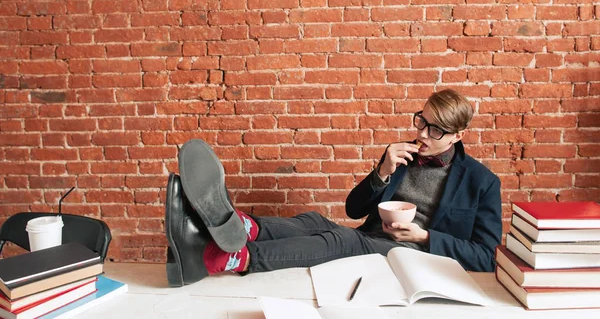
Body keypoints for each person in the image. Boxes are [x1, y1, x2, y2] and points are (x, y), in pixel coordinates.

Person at [165, 89, 502, 287]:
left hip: (418, 259)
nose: (424, 134)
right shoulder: (404, 156)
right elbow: (353, 210)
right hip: (374, 238)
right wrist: (382, 171)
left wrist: (423, 236)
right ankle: (239, 226)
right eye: (421, 121)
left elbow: (486, 257)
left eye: (436, 130)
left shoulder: (482, 182)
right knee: (314, 221)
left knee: (345, 239)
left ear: (458, 135)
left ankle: (231, 256)